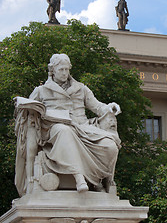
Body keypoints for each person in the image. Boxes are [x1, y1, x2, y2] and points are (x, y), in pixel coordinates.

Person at [20, 54, 121, 194]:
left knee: (110, 145)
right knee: (64, 131)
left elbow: (97, 107)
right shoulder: (41, 90)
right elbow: (30, 110)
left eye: (66, 69)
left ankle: (97, 180)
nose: (64, 73)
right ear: (52, 70)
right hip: (54, 128)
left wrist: (109, 107)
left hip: (82, 126)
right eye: (61, 69)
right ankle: (79, 178)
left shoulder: (81, 88)